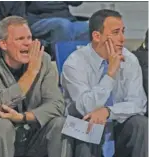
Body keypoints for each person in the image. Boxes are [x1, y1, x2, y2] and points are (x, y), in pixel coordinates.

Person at [0, 16, 72, 157]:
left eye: (29, 38)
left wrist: (24, 117)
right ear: (3, 44)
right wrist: (31, 72)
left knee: (60, 123)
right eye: (20, 39)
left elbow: (57, 104)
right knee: (1, 124)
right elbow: (0, 103)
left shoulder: (43, 59)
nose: (27, 43)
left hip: (35, 133)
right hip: (6, 137)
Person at [61, 9, 148, 157]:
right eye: (115, 33)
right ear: (97, 36)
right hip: (81, 124)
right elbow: (85, 107)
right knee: (90, 126)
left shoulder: (130, 60)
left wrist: (108, 112)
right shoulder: (75, 63)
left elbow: (139, 103)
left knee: (141, 124)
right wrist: (110, 75)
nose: (122, 39)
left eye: (123, 31)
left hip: (116, 122)